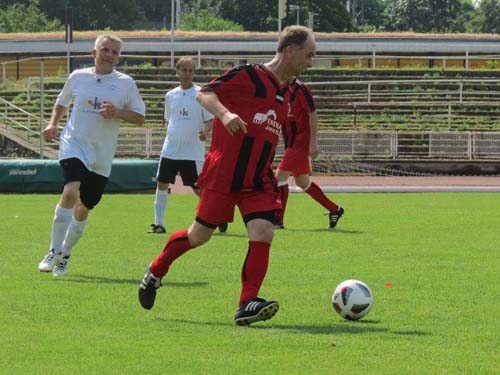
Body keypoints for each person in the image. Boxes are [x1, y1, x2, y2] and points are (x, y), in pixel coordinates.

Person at [138, 25, 316, 326]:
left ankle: (247, 303)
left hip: (257, 178)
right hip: (224, 175)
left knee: (264, 232)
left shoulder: (286, 93)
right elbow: (204, 94)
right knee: (199, 235)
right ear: (290, 51)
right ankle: (155, 271)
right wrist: (224, 114)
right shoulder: (249, 75)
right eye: (309, 55)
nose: (310, 62)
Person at [38, 34, 146, 277]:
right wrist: (53, 123)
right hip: (74, 143)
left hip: (101, 155)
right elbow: (62, 102)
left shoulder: (126, 83)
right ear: (94, 53)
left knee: (84, 208)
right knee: (70, 190)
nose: (109, 55)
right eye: (105, 50)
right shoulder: (78, 77)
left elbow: (140, 117)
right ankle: (53, 250)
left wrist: (118, 112)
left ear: (119, 57)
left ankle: (65, 254)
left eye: (114, 52)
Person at [148, 57, 228, 234]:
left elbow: (209, 120)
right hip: (170, 149)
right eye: (184, 70)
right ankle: (159, 224)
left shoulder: (201, 94)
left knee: (198, 187)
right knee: (161, 183)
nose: (187, 74)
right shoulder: (170, 95)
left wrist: (204, 132)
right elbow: (169, 120)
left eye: (191, 70)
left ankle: (219, 216)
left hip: (192, 151)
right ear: (177, 72)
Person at [275, 79, 344, 229]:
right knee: (302, 181)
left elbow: (312, 113)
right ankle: (334, 209)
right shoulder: (282, 87)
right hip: (291, 142)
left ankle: (278, 221)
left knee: (279, 178)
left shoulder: (300, 88)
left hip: (300, 141)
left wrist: (313, 142)